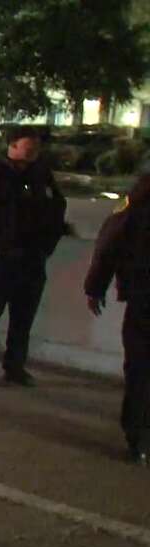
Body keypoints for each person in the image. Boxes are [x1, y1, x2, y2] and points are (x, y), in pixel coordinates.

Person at [0, 125, 68, 386]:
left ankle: (15, 367)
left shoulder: (42, 176)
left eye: (36, 148)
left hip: (31, 260)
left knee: (23, 318)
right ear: (13, 146)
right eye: (27, 147)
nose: (32, 153)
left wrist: (46, 245)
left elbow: (57, 209)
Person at [85, 172, 150, 463]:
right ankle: (138, 435)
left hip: (143, 298)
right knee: (141, 369)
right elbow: (110, 246)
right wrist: (95, 286)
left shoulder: (136, 201)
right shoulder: (138, 201)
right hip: (144, 298)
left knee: (141, 369)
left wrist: (95, 287)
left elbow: (109, 244)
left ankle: (138, 437)